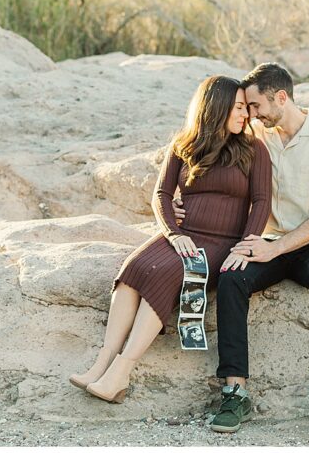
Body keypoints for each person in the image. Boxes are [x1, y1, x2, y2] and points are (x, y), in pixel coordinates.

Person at [68, 75, 272, 403]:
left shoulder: (253, 149)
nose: (245, 115)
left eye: (246, 109)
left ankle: (121, 373)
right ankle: (101, 363)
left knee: (165, 273)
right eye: (237, 108)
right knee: (134, 268)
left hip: (222, 243)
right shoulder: (184, 143)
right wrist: (173, 234)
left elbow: (262, 201)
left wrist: (246, 245)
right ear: (216, 108)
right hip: (184, 235)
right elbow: (161, 194)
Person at [188, 63, 309, 439]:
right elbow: (203, 159)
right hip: (267, 242)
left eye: (256, 105)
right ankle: (235, 391)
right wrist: (183, 204)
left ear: (281, 98)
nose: (251, 114)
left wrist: (274, 248)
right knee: (231, 277)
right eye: (246, 107)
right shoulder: (257, 137)